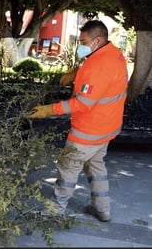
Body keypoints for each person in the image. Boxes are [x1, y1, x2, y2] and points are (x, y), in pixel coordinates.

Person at [26, 20, 128, 222]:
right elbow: (102, 83)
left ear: (97, 40)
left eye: (83, 41)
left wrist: (49, 109)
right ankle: (103, 209)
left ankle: (55, 210)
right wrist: (77, 74)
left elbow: (82, 103)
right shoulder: (114, 54)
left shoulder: (98, 65)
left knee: (68, 167)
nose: (80, 45)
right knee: (96, 168)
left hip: (88, 131)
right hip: (107, 129)